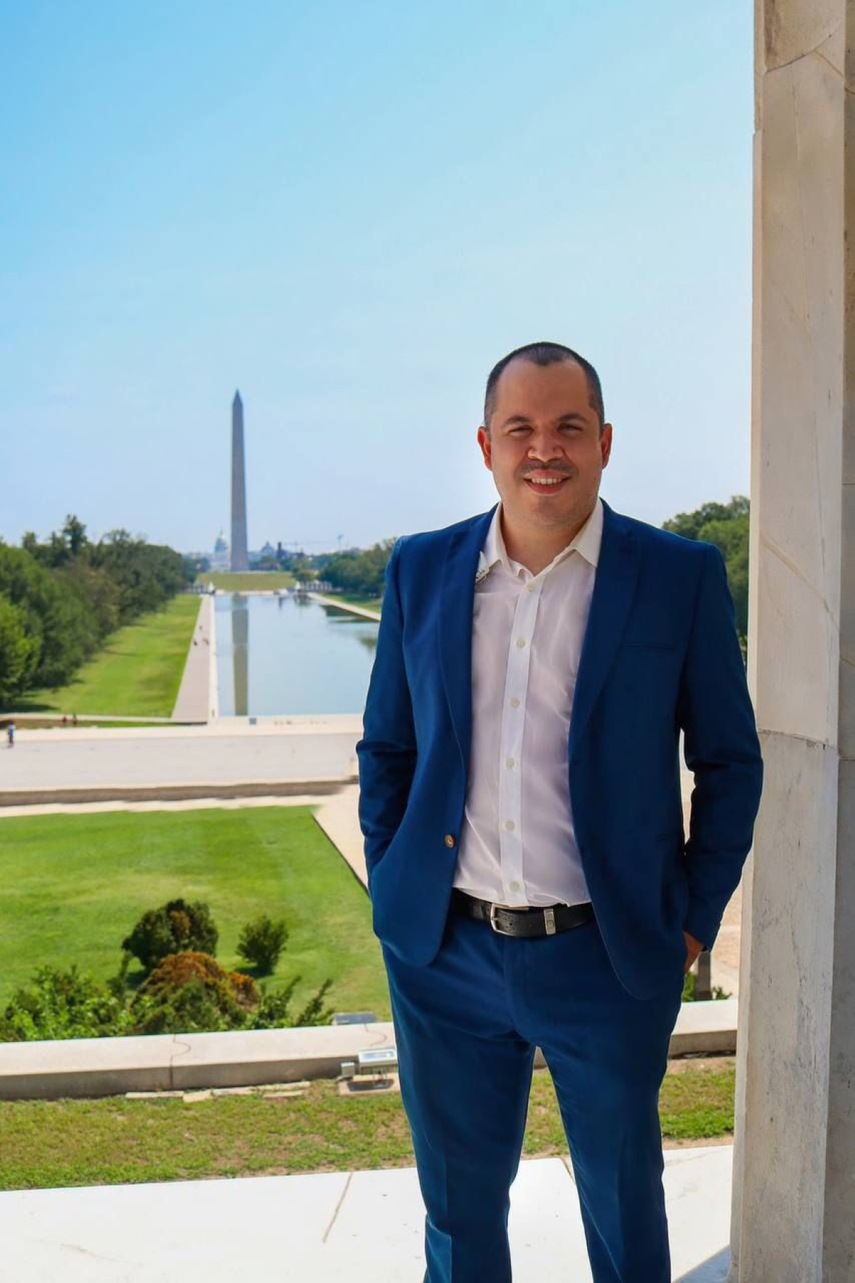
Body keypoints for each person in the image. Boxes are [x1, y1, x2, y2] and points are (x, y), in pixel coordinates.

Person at [356, 341, 763, 1283]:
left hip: (607, 957)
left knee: (623, 1207)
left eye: (568, 427)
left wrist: (690, 921)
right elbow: (387, 750)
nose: (545, 448)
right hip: (443, 954)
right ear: (485, 445)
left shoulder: (675, 576)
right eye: (521, 429)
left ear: (605, 441)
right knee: (456, 1216)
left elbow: (729, 762)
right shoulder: (420, 570)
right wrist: (395, 887)